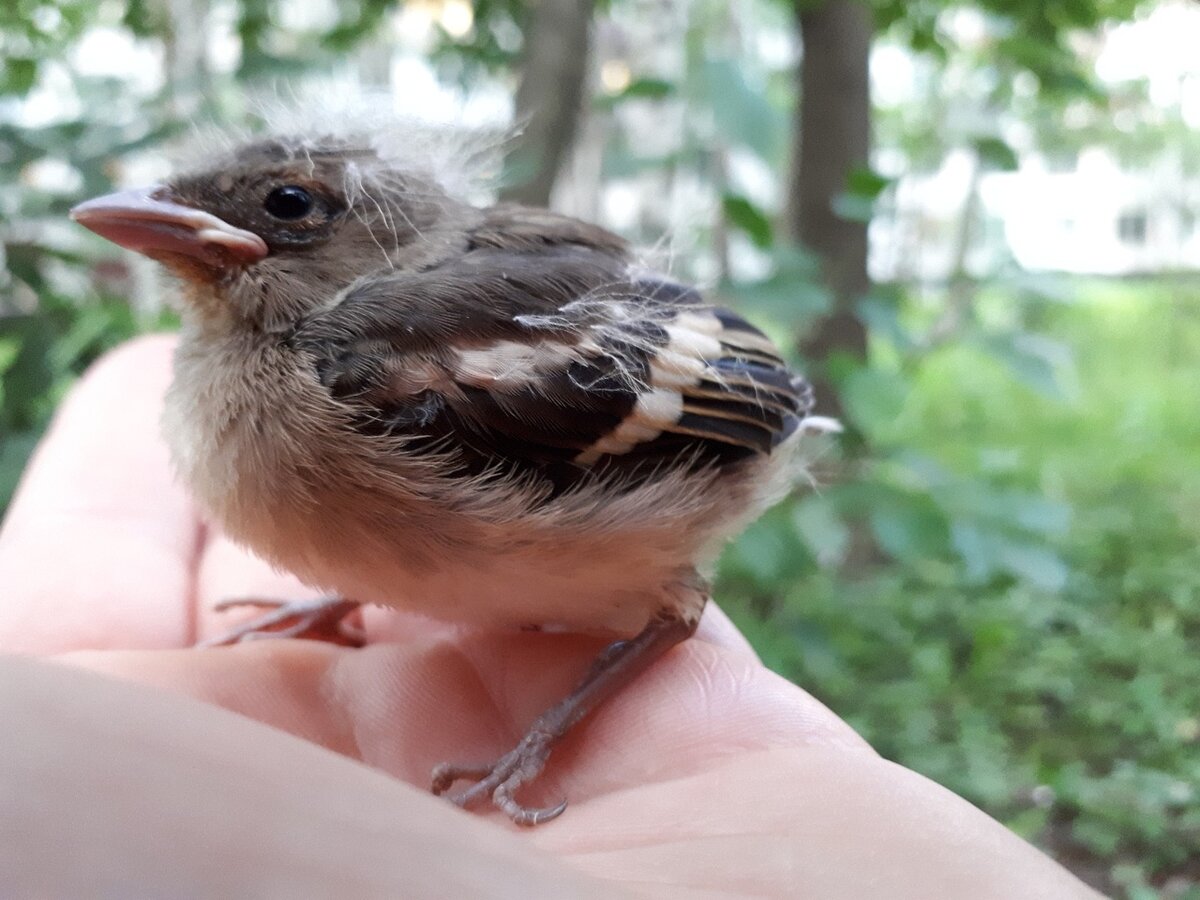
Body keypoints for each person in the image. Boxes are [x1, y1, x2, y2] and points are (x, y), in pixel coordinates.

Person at [0, 336, 1099, 898]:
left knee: (656, 608)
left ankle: (538, 736)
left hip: (685, 451)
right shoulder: (266, 382)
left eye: (286, 214)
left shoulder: (407, 367)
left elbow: (722, 394)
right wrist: (354, 586)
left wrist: (528, 747)